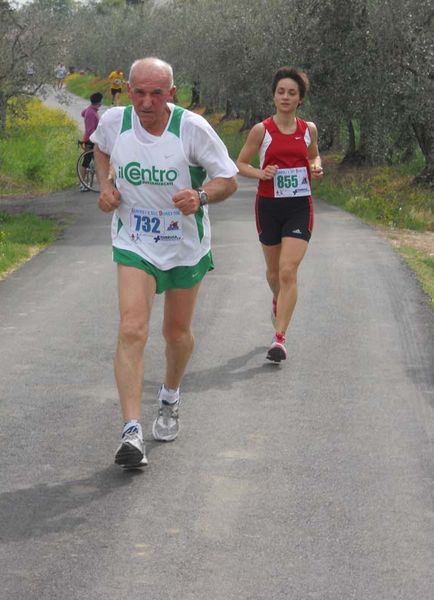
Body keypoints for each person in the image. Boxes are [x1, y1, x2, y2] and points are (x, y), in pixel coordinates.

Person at [91, 57, 238, 469]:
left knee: (176, 334)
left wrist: (201, 196)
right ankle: (131, 430)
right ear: (128, 89)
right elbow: (100, 150)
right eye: (139, 91)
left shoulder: (191, 129)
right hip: (134, 239)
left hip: (183, 245)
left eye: (157, 93)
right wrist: (105, 186)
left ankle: (170, 395)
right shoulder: (115, 122)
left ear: (172, 94)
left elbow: (228, 178)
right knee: (132, 327)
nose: (147, 101)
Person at [236, 66, 323, 364]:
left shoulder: (308, 129)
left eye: (292, 93)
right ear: (274, 96)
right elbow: (240, 164)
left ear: (300, 99)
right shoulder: (262, 130)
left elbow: (314, 156)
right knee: (274, 273)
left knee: (288, 270)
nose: (286, 96)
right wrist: (262, 172)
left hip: (300, 206)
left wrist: (316, 166)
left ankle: (280, 339)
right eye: (281, 91)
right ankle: (278, 300)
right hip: (269, 206)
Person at [79, 92, 103, 192]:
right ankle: (82, 183)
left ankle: (99, 184)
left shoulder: (91, 110)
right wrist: (100, 137)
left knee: (97, 162)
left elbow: (82, 113)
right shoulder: (91, 113)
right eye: (102, 100)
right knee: (86, 162)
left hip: (92, 139)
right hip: (90, 140)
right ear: (99, 102)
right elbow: (90, 130)